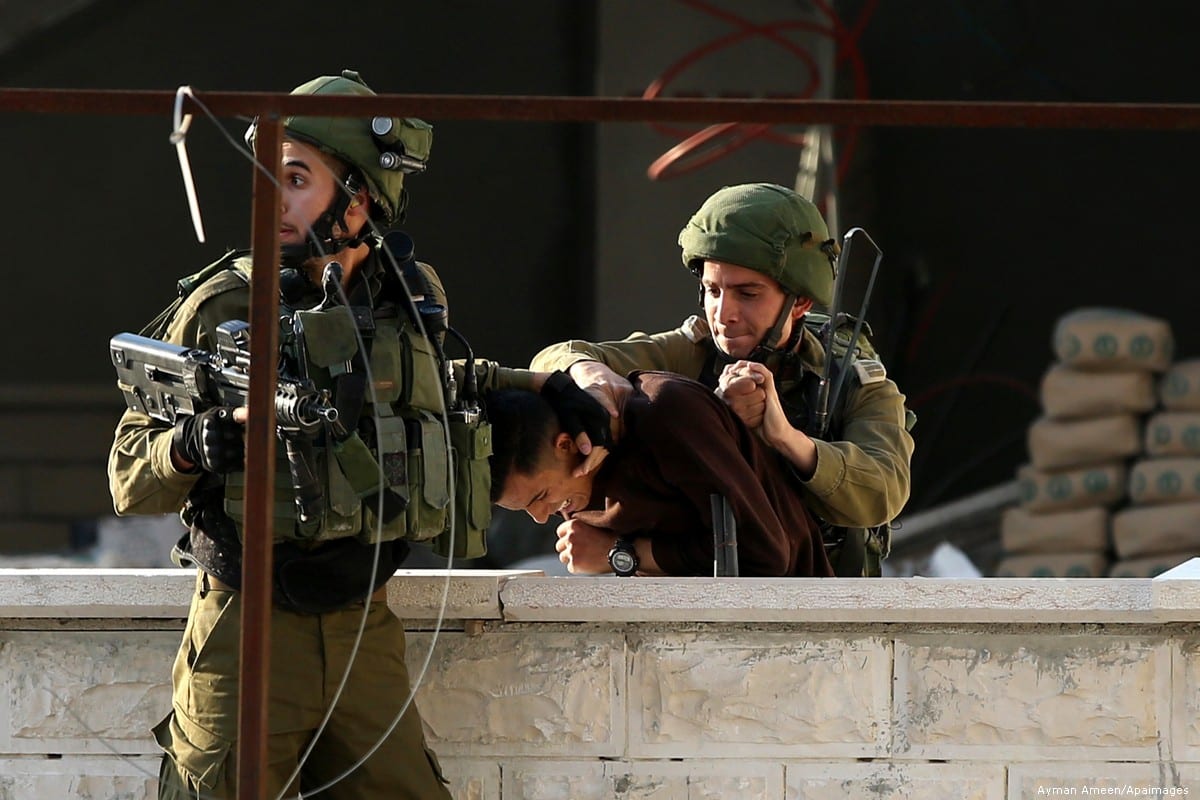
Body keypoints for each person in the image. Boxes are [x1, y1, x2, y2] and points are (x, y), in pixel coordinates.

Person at [108, 70, 608, 800]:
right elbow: (127, 472)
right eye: (263, 176)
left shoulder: (412, 297)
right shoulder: (224, 307)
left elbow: (443, 381)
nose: (269, 197)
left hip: (362, 625)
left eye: (296, 178)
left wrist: (550, 385)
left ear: (361, 199)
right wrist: (193, 444)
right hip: (246, 631)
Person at [530, 183, 914, 576]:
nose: (724, 313)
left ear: (799, 302)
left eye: (748, 294)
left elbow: (884, 490)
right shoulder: (688, 353)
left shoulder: (851, 381)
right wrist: (592, 377)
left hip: (826, 602)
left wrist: (784, 437)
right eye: (713, 291)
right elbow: (554, 360)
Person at [486, 371, 835, 577]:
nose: (541, 516)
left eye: (539, 497)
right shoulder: (574, 485)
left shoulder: (665, 414)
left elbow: (764, 555)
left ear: (566, 445)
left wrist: (619, 553)